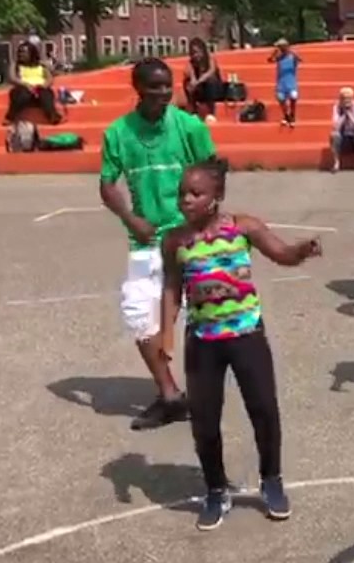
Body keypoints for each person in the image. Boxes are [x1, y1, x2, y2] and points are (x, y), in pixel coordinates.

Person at [159, 159, 323, 531]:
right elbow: (172, 287)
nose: (186, 199)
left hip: (246, 334)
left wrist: (302, 249)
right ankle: (216, 489)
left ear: (216, 197)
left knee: (264, 408)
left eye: (196, 193)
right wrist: (165, 334)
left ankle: (272, 480)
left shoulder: (243, 227)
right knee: (204, 420)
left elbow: (281, 254)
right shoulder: (174, 240)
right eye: (182, 192)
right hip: (203, 341)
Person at [98, 58, 217, 431]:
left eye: (168, 86)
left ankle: (205, 394)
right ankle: (170, 396)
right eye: (155, 87)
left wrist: (206, 223)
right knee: (139, 317)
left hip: (189, 236)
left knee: (205, 318)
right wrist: (132, 218)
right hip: (145, 241)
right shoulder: (118, 133)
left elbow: (214, 173)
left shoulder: (189, 126)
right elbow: (107, 184)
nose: (164, 93)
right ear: (138, 89)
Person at [2, 41, 61, 125]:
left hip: (39, 89)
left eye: (24, 52)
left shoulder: (41, 65)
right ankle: (10, 117)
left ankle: (52, 116)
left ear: (31, 53)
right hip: (23, 89)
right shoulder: (15, 65)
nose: (21, 54)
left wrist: (44, 85)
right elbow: (12, 78)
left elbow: (49, 78)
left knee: (47, 94)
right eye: (20, 52)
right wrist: (26, 85)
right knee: (22, 94)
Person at [183, 38, 223, 122]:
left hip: (214, 90)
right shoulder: (191, 64)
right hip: (201, 90)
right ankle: (193, 110)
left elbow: (210, 72)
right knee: (186, 82)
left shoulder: (210, 60)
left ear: (203, 51)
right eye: (193, 53)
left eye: (197, 52)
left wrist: (197, 82)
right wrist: (192, 83)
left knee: (210, 81)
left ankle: (211, 113)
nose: (195, 55)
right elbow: (191, 76)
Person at [330, 87, 354, 173]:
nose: (346, 101)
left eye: (349, 98)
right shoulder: (336, 108)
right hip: (342, 133)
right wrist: (344, 115)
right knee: (334, 135)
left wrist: (350, 115)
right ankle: (336, 163)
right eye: (344, 98)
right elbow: (335, 126)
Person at [269, 39, 301, 127]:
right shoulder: (279, 57)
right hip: (281, 82)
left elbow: (299, 60)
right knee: (281, 98)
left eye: (281, 47)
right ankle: (286, 116)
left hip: (291, 81)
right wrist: (274, 53)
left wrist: (291, 53)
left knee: (293, 97)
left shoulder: (292, 56)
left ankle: (292, 115)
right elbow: (270, 60)